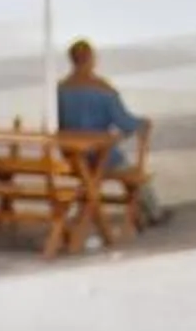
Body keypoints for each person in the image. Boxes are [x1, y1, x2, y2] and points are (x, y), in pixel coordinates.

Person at [55, 41, 168, 225]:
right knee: (134, 174)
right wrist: (143, 123)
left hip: (72, 158)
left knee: (111, 174)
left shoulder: (61, 89)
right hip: (102, 157)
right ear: (92, 59)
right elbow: (125, 123)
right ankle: (154, 214)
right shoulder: (102, 89)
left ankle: (139, 212)